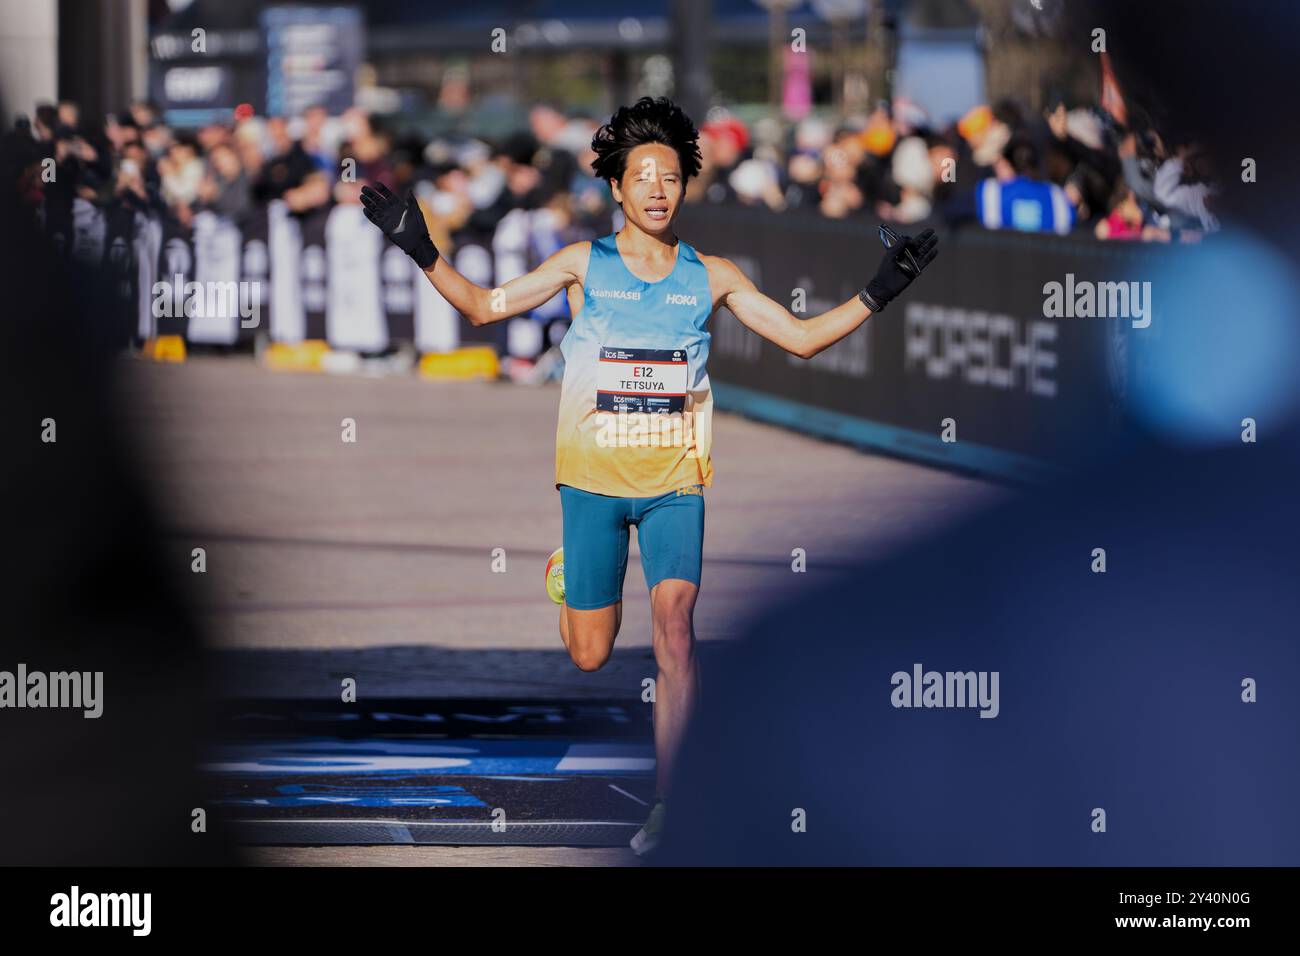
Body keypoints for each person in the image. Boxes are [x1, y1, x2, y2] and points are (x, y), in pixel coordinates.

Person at [358, 96, 939, 857]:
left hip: (675, 482)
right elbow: (480, 307)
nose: (659, 189)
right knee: (592, 655)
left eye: (671, 176)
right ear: (618, 189)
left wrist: (879, 290)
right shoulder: (581, 265)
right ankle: (572, 576)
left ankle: (673, 802)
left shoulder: (713, 275)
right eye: (644, 176)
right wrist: (420, 246)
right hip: (592, 479)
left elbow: (798, 339)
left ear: (685, 189)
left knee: (676, 634)